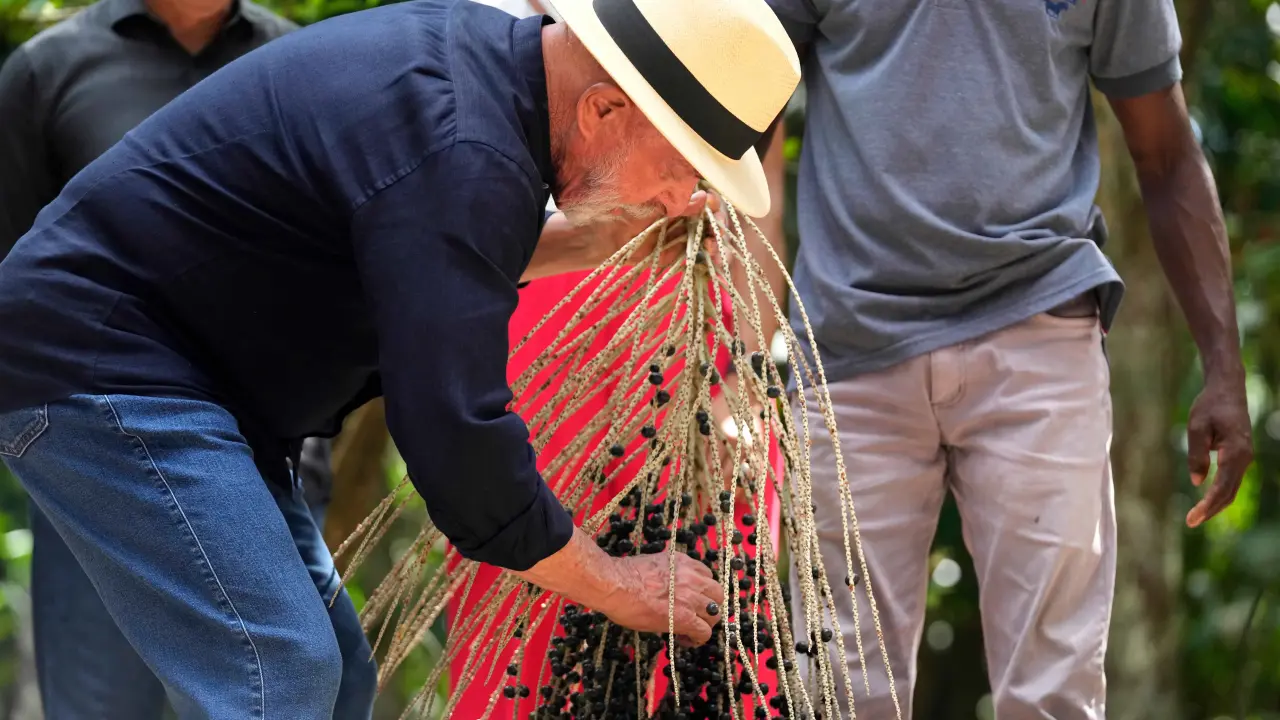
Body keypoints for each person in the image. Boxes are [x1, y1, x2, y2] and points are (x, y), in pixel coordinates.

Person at [0, 0, 800, 716]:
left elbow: (424, 252)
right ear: (604, 108)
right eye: (679, 170)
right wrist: (613, 581)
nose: (677, 200)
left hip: (194, 386)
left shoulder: (476, 71)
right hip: (107, 362)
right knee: (277, 671)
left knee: (339, 677)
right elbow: (455, 436)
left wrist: (595, 242)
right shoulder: (467, 143)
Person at [758, 0, 1254, 717]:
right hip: (850, 343)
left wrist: (1225, 369)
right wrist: (720, 341)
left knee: (1055, 691)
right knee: (837, 690)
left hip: (1037, 329)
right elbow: (741, 105)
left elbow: (1167, 151)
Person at [443, 2, 794, 714]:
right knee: (521, 608)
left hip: (695, 353)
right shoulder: (480, 24)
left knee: (703, 636)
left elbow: (760, 220)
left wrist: (745, 386)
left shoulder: (734, 30)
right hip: (535, 349)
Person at [0, 1, 339, 717]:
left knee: (284, 692)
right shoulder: (47, 69)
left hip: (271, 461)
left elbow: (336, 260)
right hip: (101, 468)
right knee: (101, 707)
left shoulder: (306, 61)